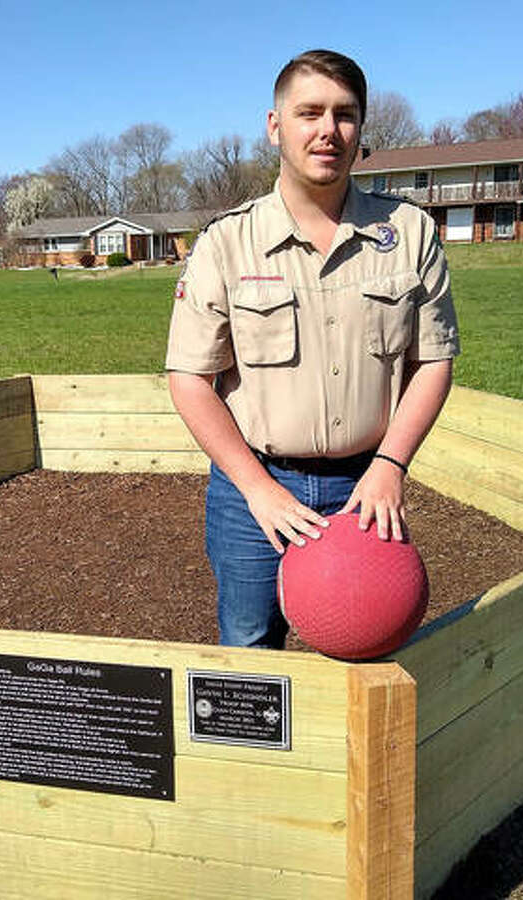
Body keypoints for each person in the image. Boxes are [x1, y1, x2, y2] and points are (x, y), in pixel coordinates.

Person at [165, 49, 460, 649]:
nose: (328, 130)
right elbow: (189, 379)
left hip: (367, 484)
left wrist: (390, 466)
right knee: (250, 644)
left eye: (345, 115)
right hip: (254, 490)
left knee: (373, 644)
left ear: (361, 128)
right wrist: (257, 488)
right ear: (276, 126)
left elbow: (433, 360)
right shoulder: (227, 243)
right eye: (309, 113)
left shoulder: (408, 234)